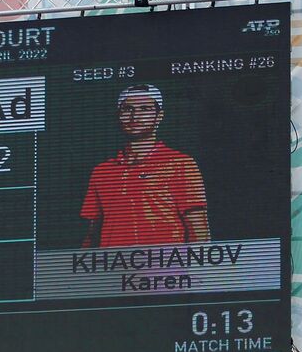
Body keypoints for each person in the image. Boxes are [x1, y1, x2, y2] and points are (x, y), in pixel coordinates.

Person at [80, 83, 208, 248]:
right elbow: (92, 233)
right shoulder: (102, 171)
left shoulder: (180, 163)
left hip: (167, 268)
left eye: (144, 109)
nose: (135, 117)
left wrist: (197, 272)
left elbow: (198, 226)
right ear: (118, 115)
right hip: (115, 269)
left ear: (159, 115)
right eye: (128, 109)